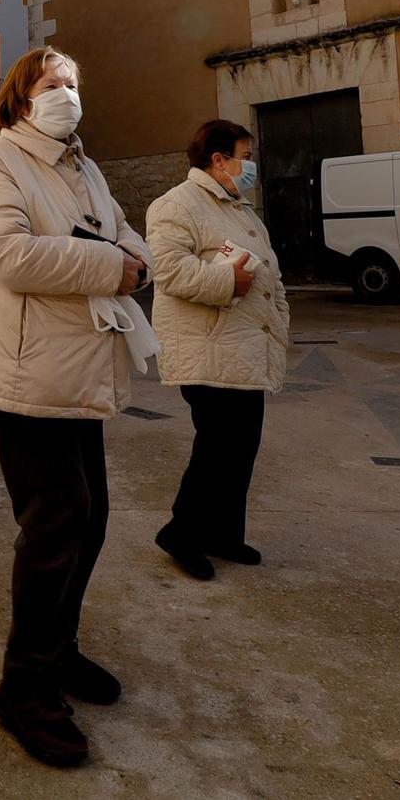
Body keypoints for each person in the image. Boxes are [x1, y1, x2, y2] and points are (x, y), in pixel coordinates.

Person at [0, 47, 154, 769]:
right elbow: (6, 254)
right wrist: (113, 264)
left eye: (74, 83)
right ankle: (24, 688)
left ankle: (60, 647)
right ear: (20, 97)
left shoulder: (84, 167)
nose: (67, 94)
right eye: (52, 84)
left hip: (78, 371)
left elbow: (124, 232)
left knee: (90, 515)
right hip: (26, 373)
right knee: (57, 519)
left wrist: (140, 261)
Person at [145, 120, 289, 580]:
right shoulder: (176, 205)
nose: (251, 166)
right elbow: (168, 271)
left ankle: (225, 534)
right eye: (245, 156)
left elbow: (270, 272)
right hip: (206, 348)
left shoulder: (240, 209)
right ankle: (181, 535)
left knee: (241, 447)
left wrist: (280, 314)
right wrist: (228, 280)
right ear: (218, 160)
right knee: (217, 448)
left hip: (245, 344)